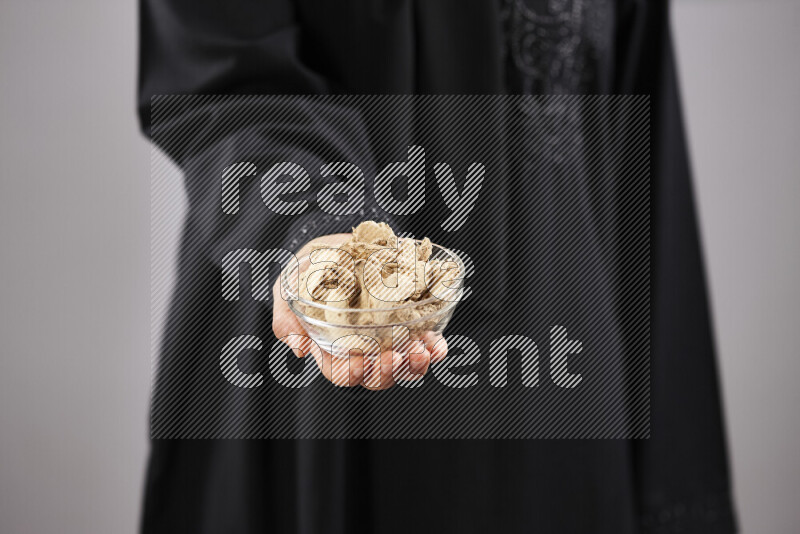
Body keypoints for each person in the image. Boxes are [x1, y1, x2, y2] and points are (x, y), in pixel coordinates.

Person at [139, 1, 736, 532]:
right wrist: (329, 248)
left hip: (565, 375)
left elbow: (637, 149)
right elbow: (228, 77)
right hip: (318, 361)